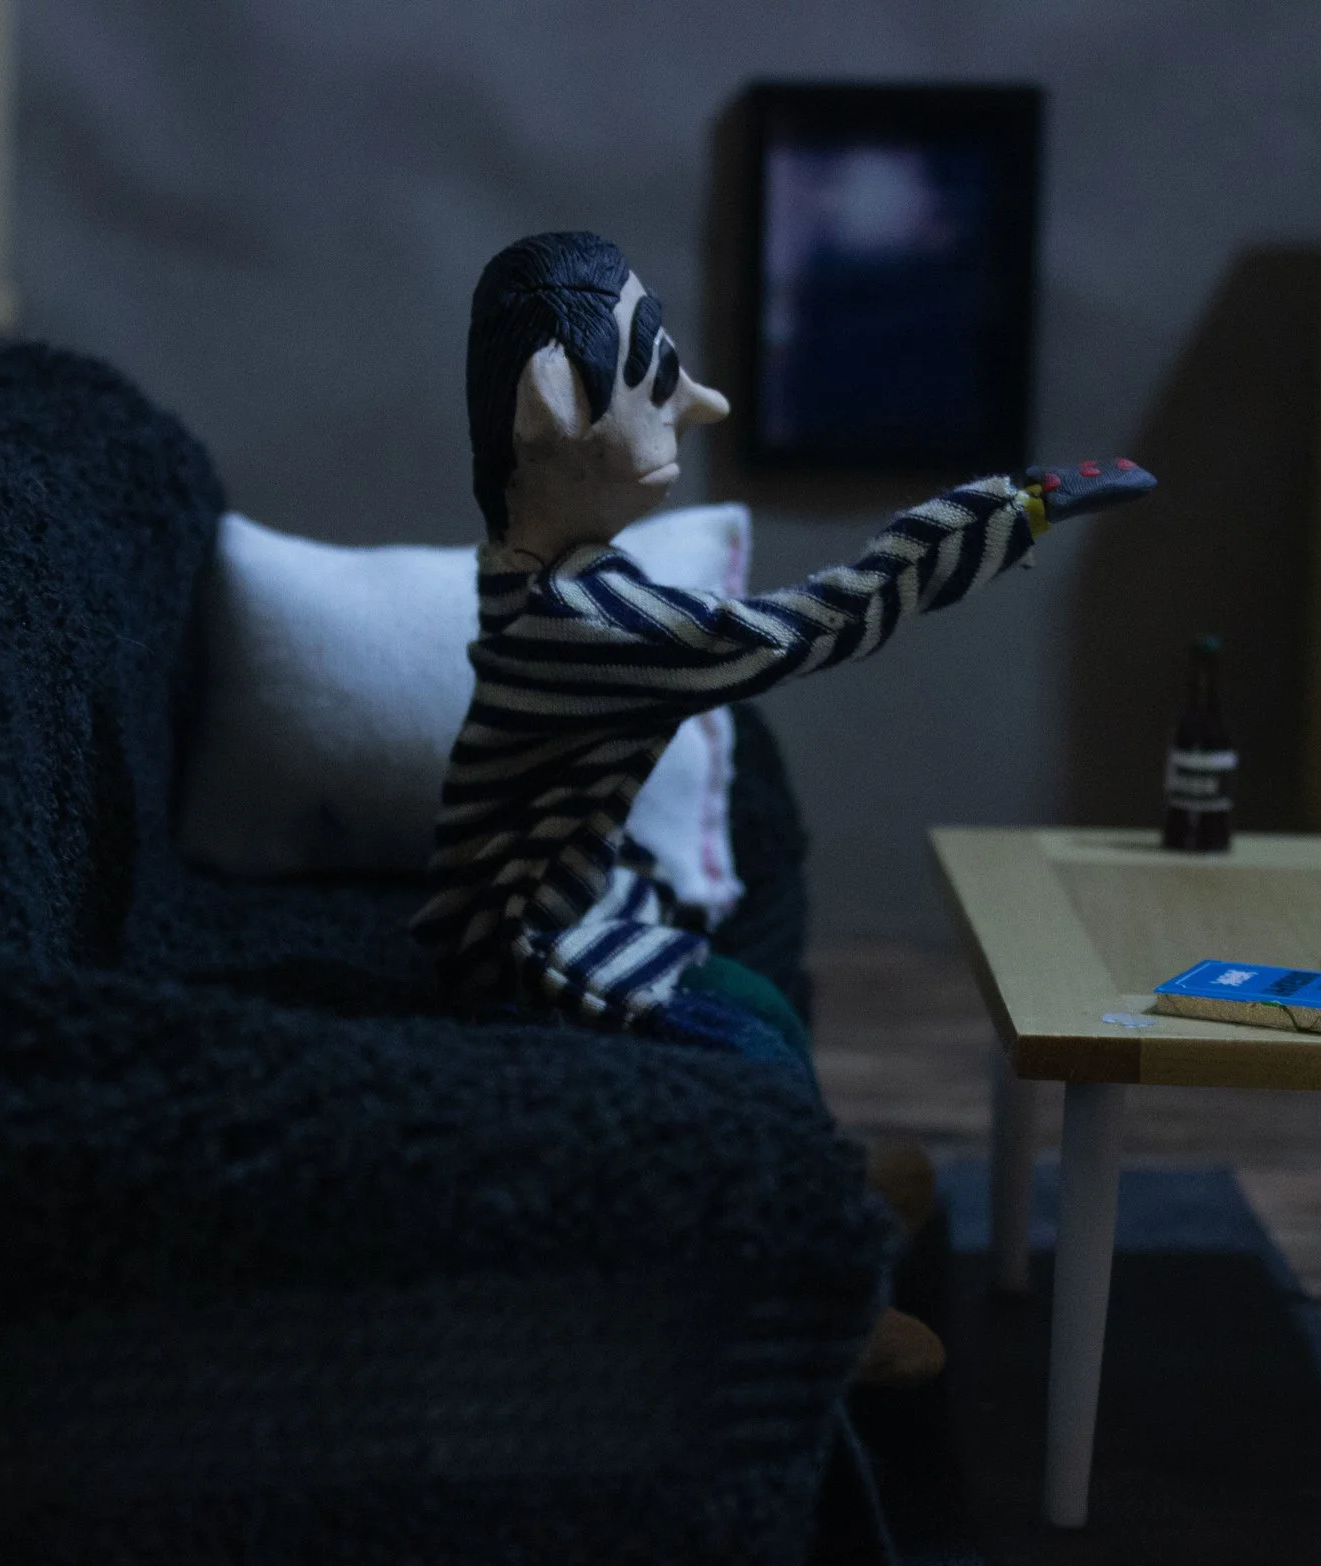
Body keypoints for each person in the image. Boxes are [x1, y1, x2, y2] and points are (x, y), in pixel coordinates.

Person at [414, 230, 1154, 1384]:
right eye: (657, 377)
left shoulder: (562, 578)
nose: (697, 405)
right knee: (748, 1055)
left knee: (755, 994)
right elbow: (805, 626)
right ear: (552, 407)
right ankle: (812, 1301)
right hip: (522, 951)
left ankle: (825, 1187)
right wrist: (1006, 513)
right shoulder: (577, 623)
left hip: (577, 904)